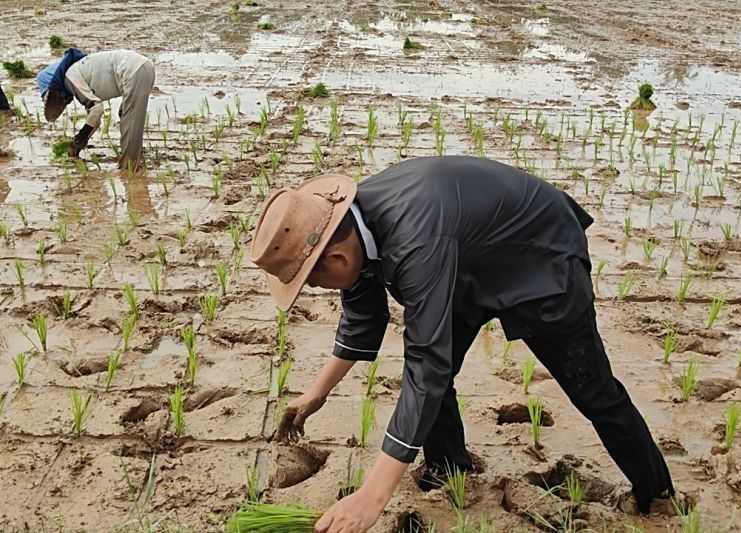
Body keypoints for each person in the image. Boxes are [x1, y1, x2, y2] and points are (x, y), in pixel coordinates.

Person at [250, 156, 675, 532]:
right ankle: (448, 469)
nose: (319, 289)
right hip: (468, 262)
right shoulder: (348, 230)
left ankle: (658, 495)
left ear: (335, 259)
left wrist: (371, 497)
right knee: (431, 381)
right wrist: (316, 393)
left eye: (314, 281)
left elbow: (426, 366)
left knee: (593, 389)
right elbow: (364, 316)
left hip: (539, 256)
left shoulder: (414, 237)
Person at [36, 48, 155, 171]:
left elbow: (97, 110)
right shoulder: (80, 70)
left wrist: (79, 139)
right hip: (142, 67)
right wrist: (82, 141)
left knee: (130, 121)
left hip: (133, 70)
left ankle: (130, 171)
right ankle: (136, 158)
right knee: (125, 115)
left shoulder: (70, 77)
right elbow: (95, 120)